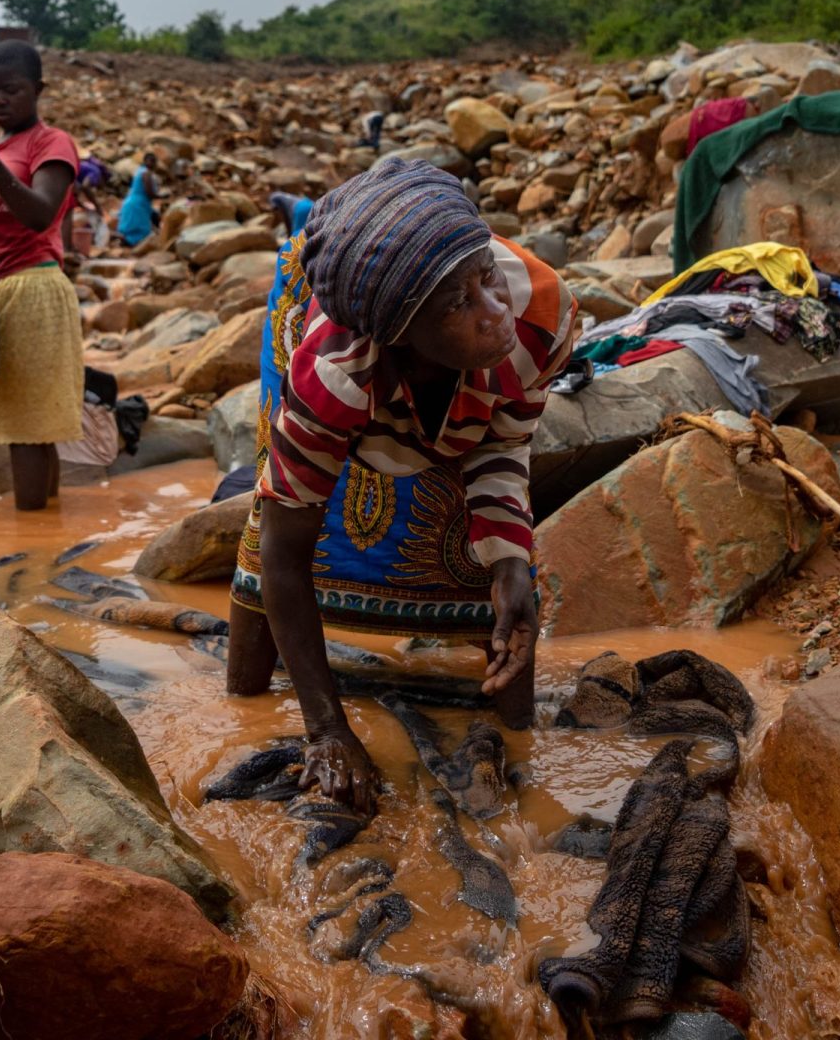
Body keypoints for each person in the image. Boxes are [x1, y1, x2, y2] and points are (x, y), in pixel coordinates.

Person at [226, 159, 577, 814]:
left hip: (438, 392)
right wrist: (327, 731)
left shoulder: (538, 317)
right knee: (269, 530)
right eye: (460, 304)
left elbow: (502, 445)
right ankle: (252, 690)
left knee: (503, 588)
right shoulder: (334, 375)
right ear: (400, 340)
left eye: (487, 275)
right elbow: (284, 546)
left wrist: (508, 565)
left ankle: (517, 728)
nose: (494, 309)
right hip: (351, 384)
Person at [0, 40, 84, 511]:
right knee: (32, 425)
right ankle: (46, 534)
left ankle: (31, 552)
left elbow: (42, 214)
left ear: (38, 90)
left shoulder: (48, 142)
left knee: (25, 428)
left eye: (10, 90)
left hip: (31, 287)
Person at [117, 152, 160, 247]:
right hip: (138, 204)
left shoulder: (140, 171)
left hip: (134, 202)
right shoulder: (146, 173)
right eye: (150, 161)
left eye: (153, 161)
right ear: (145, 161)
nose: (152, 164)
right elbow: (149, 192)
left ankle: (126, 242)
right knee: (140, 227)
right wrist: (161, 196)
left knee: (133, 225)